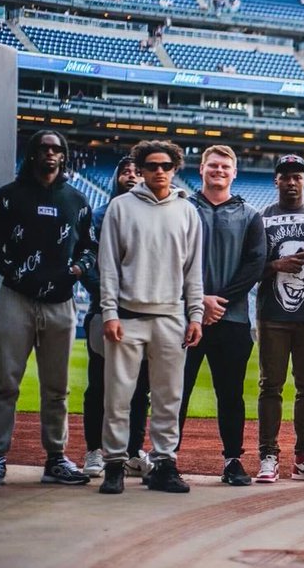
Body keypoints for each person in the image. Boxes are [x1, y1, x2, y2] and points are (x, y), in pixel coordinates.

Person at [0, 130, 97, 488]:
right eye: (43, 148)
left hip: (60, 302)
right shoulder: (10, 196)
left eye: (56, 149)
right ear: (32, 154)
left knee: (57, 388)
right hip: (16, 298)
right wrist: (15, 272)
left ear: (64, 156)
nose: (49, 154)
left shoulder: (77, 200)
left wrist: (77, 269)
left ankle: (56, 459)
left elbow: (90, 247)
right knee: (5, 385)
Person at [97, 140, 204, 494]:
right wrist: (109, 312)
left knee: (168, 397)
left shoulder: (187, 211)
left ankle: (163, 463)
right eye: (152, 165)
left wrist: (195, 314)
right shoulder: (120, 207)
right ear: (140, 170)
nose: (159, 171)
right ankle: (114, 463)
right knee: (118, 396)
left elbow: (193, 271)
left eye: (166, 166)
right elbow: (108, 265)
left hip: (171, 316)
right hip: (127, 315)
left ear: (175, 170)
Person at [178, 145, 266, 487]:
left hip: (232, 320)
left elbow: (255, 265)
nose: (219, 170)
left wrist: (218, 302)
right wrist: (198, 302)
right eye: (213, 165)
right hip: (186, 317)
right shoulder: (182, 208)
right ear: (201, 168)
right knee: (177, 392)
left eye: (225, 166)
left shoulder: (249, 215)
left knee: (230, 394)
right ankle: (166, 458)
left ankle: (232, 461)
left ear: (234, 172)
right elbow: (171, 259)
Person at [255, 154, 304, 484]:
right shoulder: (261, 218)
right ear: (276, 181)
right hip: (271, 315)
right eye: (284, 176)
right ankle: (268, 456)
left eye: (296, 176)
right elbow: (249, 269)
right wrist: (275, 266)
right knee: (270, 386)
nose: (290, 181)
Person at [80, 156, 153, 480]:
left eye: (138, 172)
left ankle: (134, 450)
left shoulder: (155, 217)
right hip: (104, 312)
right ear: (116, 177)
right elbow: (87, 264)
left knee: (141, 389)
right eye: (125, 171)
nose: (132, 176)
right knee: (99, 386)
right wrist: (111, 298)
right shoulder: (99, 215)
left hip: (143, 314)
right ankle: (95, 450)